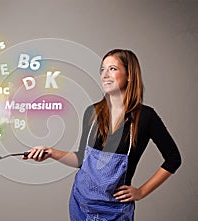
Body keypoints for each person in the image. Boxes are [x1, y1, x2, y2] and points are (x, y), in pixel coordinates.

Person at [22, 49, 181, 220]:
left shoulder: (146, 117)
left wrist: (141, 192)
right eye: (102, 70)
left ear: (129, 75)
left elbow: (174, 158)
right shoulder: (92, 112)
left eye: (112, 69)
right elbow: (82, 159)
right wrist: (51, 152)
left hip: (115, 210)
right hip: (80, 204)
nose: (105, 75)